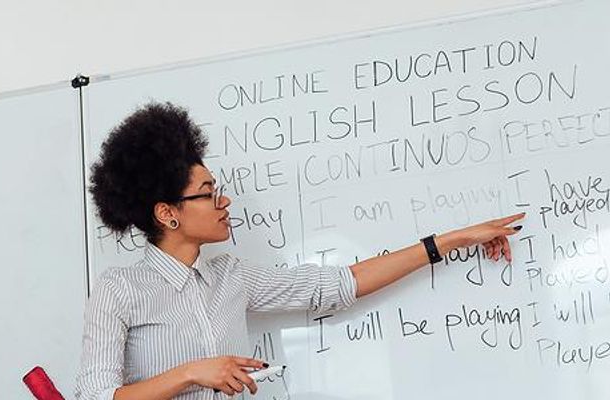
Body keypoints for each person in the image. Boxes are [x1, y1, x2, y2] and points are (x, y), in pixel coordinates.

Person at [75, 102, 523, 399]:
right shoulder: (120, 289)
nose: (224, 202)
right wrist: (192, 372)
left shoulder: (231, 276)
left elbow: (340, 284)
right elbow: (96, 396)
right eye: (208, 192)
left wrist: (447, 242)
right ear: (168, 213)